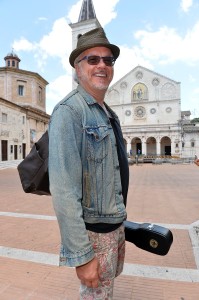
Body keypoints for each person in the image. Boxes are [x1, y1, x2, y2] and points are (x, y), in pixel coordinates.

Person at [48, 27, 129, 299]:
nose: (102, 65)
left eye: (108, 60)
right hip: (94, 236)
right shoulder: (69, 111)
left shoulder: (107, 113)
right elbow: (63, 190)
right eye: (93, 59)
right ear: (77, 67)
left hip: (114, 229)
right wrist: (81, 257)